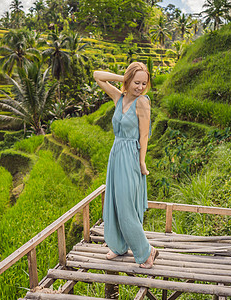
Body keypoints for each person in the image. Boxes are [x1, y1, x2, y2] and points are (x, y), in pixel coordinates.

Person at [93, 62, 159, 269]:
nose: (139, 87)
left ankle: (147, 251)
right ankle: (119, 246)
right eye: (136, 82)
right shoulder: (118, 97)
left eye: (143, 83)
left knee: (126, 207)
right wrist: (125, 79)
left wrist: (141, 162)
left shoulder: (143, 103)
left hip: (131, 156)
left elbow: (144, 135)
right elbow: (97, 75)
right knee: (113, 202)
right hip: (116, 154)